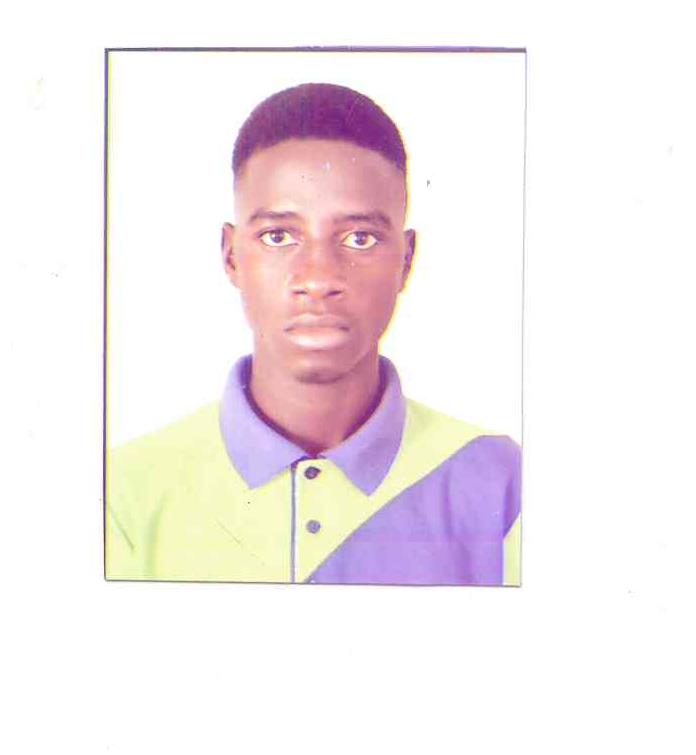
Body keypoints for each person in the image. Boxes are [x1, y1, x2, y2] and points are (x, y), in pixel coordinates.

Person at [105, 82, 521, 585]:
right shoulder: (121, 497)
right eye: (279, 236)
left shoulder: (504, 488)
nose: (319, 278)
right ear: (231, 256)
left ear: (406, 260)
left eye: (359, 238)